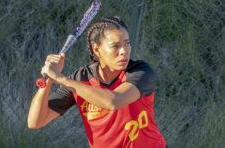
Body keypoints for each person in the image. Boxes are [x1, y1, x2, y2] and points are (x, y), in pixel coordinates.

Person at [28, 17, 167, 148]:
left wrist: (61, 79)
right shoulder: (80, 79)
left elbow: (113, 101)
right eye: (116, 46)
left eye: (127, 43)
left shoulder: (140, 72)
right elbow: (35, 122)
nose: (124, 51)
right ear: (97, 49)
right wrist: (50, 80)